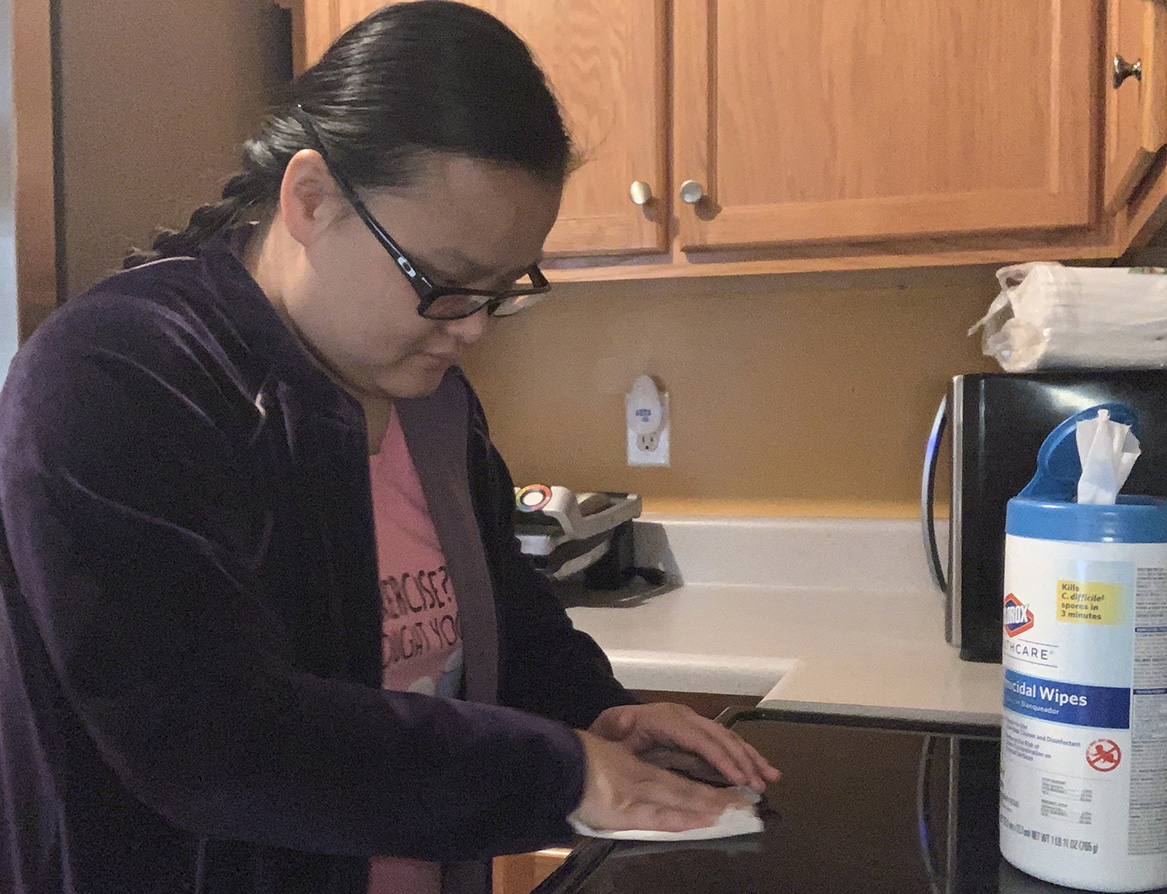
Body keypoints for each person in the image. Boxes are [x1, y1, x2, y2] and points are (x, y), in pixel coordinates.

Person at [0, 3, 780, 893]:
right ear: (312, 198)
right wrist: (558, 772)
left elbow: (503, 625)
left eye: (503, 287)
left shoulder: (428, 393)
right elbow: (210, 735)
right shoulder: (115, 378)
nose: (476, 328)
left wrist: (595, 716)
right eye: (444, 282)